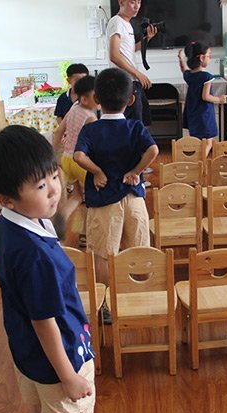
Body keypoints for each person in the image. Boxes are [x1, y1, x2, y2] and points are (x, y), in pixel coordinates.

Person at [0, 125, 95, 413]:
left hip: (25, 350)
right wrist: (68, 376)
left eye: (54, 176)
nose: (55, 189)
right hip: (57, 359)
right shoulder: (36, 256)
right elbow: (45, 323)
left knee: (37, 412)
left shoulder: (4, 227)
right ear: (7, 199)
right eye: (41, 186)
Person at [73, 68, 159, 285]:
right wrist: (135, 172)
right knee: (140, 250)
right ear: (130, 100)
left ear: (96, 99)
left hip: (103, 200)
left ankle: (105, 303)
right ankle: (141, 293)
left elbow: (78, 156)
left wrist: (97, 171)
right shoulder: (135, 126)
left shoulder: (91, 129)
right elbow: (153, 151)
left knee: (102, 254)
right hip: (133, 197)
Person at [52, 75, 98, 246]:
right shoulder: (91, 118)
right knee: (90, 200)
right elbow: (95, 146)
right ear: (85, 98)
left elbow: (58, 133)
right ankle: (85, 234)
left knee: (78, 196)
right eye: (96, 96)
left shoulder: (73, 107)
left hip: (67, 159)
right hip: (81, 162)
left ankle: (61, 217)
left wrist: (54, 156)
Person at [106, 0, 158, 126]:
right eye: (132, 2)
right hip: (124, 81)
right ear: (121, 2)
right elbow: (114, 56)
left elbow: (129, 50)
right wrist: (138, 74)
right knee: (134, 125)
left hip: (132, 81)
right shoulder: (116, 22)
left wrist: (147, 39)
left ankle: (141, 145)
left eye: (139, 2)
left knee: (143, 122)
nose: (137, 7)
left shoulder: (127, 25)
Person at [178, 41, 227, 157]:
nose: (210, 59)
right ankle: (199, 164)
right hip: (204, 116)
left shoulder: (189, 75)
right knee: (208, 143)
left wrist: (181, 59)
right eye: (209, 56)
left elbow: (183, 69)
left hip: (192, 115)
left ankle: (199, 163)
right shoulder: (206, 76)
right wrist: (220, 99)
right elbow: (205, 97)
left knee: (199, 142)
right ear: (201, 57)